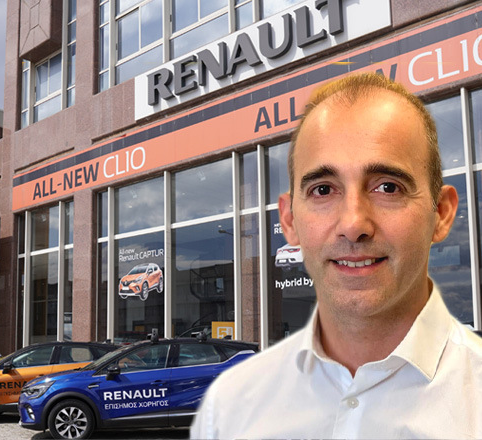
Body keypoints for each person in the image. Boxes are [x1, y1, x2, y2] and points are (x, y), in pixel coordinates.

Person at [190, 73, 482, 439]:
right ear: (290, 221)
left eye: (388, 187)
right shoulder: (231, 407)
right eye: (323, 190)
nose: (353, 224)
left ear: (441, 214)